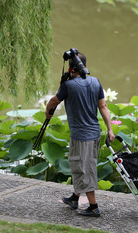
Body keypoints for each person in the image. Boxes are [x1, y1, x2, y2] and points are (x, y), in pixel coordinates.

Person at [45, 51, 115, 217]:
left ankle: (93, 206)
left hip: (81, 136)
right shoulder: (95, 82)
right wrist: (110, 129)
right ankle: (74, 198)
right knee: (84, 165)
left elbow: (54, 100)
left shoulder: (68, 86)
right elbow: (103, 107)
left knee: (83, 168)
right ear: (85, 66)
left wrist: (48, 113)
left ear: (70, 68)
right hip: (95, 134)